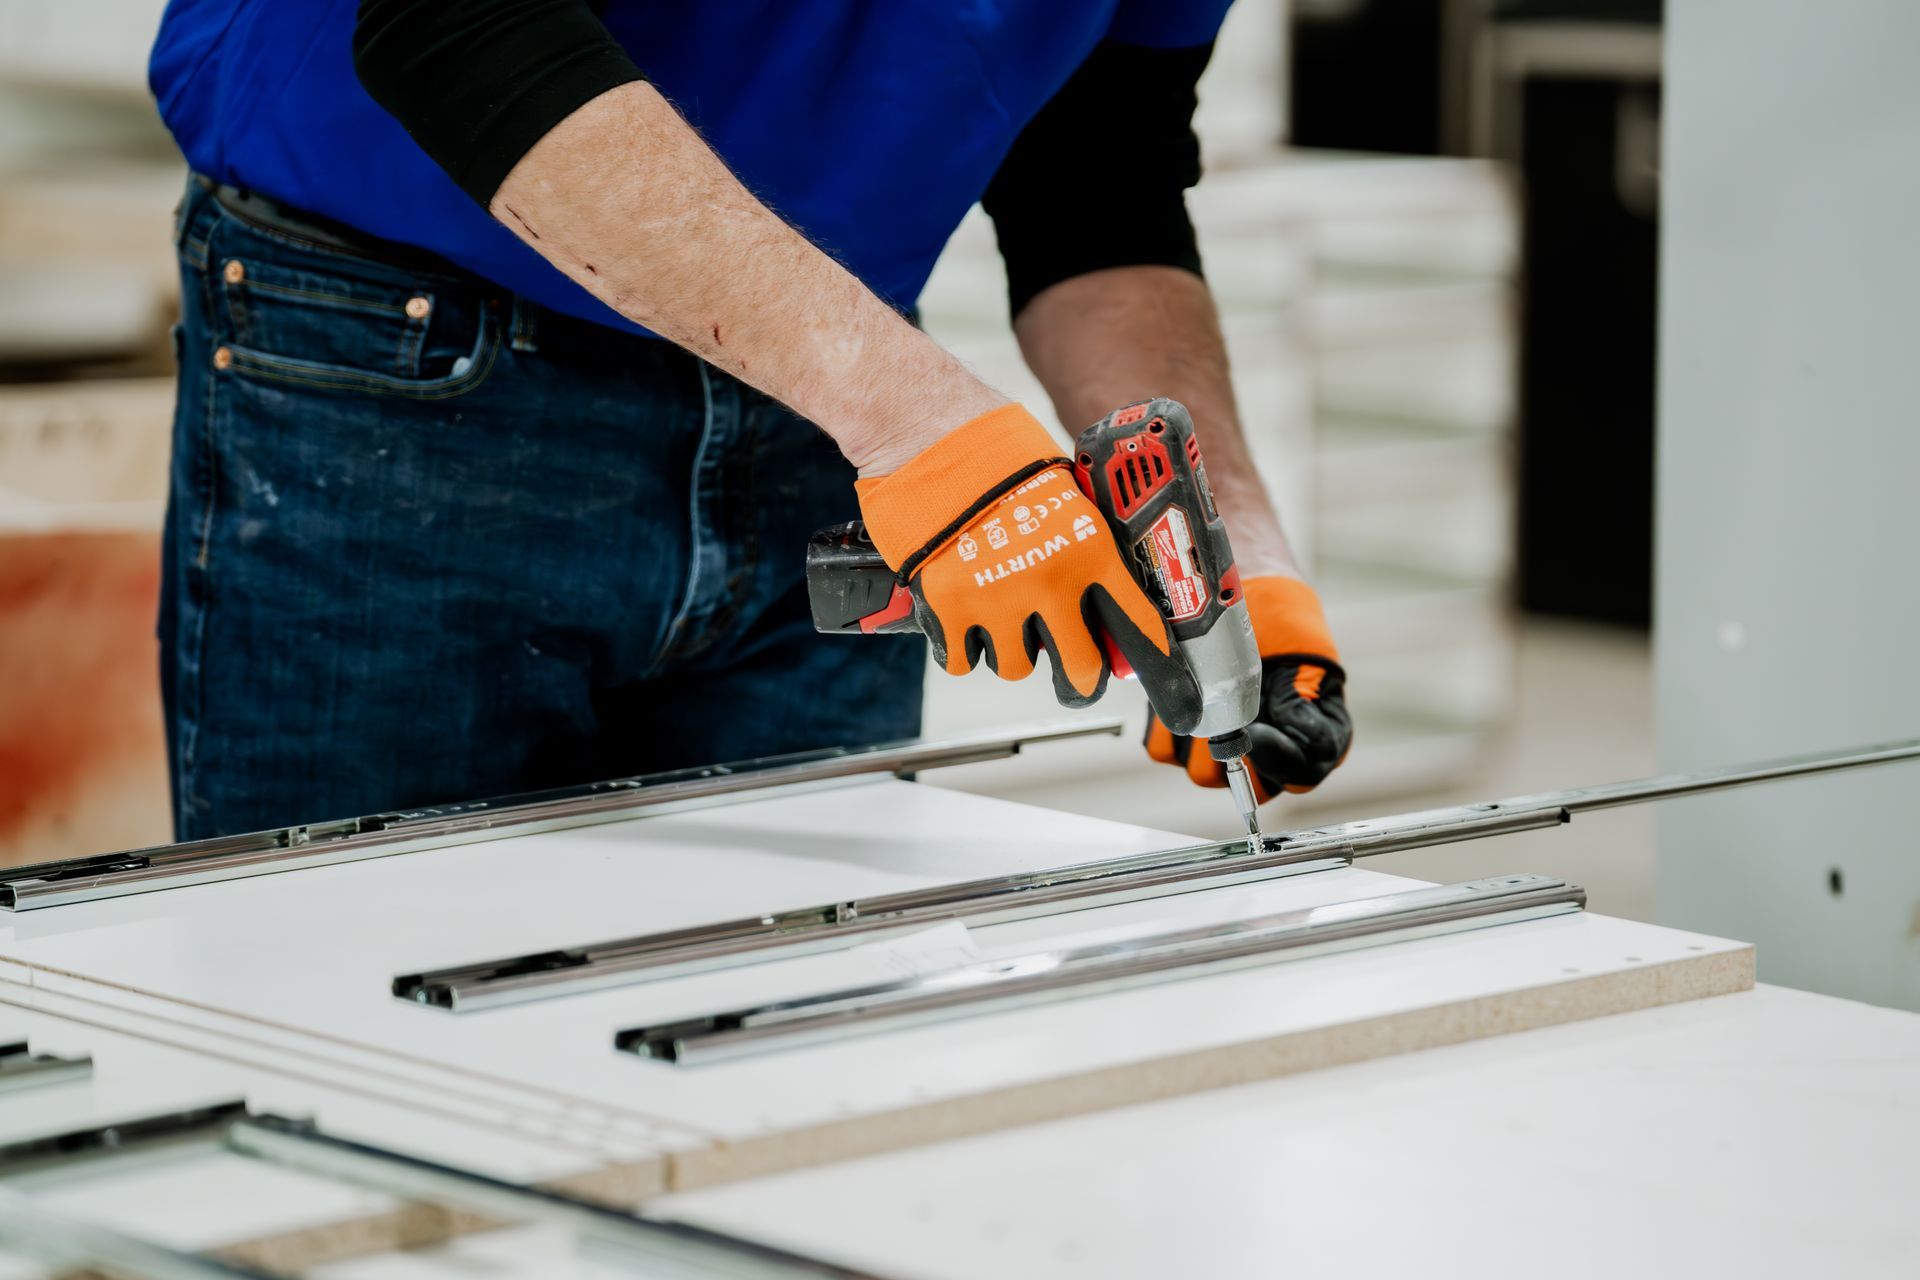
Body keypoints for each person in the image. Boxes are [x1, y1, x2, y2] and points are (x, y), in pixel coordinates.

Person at [146, 0, 1352, 840]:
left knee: (783, 1033)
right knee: (356, 1010)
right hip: (401, 350)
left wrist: (1234, 552)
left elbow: (1099, 178)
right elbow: (461, 28)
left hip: (821, 400)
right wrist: (923, 422)